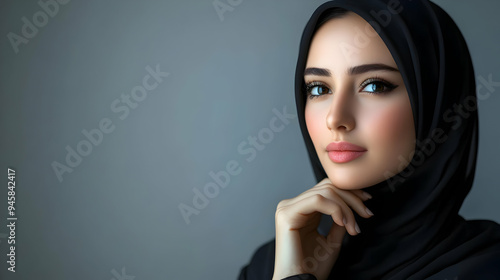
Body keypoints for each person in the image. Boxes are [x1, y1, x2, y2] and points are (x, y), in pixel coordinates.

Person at [238, 0, 500, 279]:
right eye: (318, 88)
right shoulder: (272, 263)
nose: (335, 118)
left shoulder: (486, 266)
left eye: (374, 86)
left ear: (437, 101)